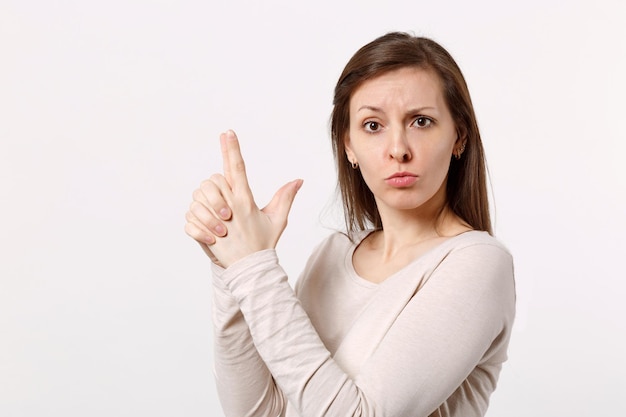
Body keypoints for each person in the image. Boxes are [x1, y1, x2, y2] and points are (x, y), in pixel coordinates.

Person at [184, 32, 515, 417]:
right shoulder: (335, 252)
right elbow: (257, 411)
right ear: (348, 146)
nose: (398, 149)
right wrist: (230, 262)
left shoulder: (478, 263)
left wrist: (255, 269)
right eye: (373, 125)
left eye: (421, 121)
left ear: (458, 136)